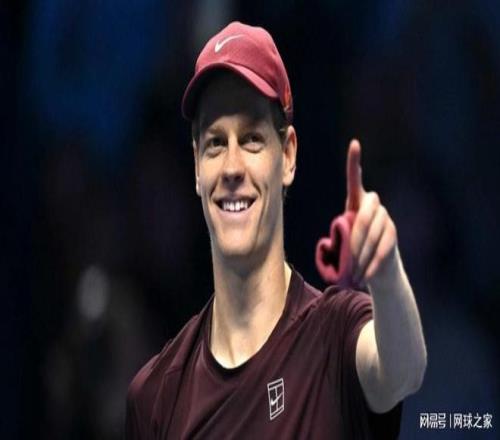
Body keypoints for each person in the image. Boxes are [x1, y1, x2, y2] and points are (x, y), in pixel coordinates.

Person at [125, 21, 427, 439]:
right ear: (196, 166)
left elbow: (402, 373)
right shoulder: (156, 395)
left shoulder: (335, 334)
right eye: (215, 143)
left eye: (251, 139)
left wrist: (387, 270)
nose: (231, 168)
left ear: (287, 156)